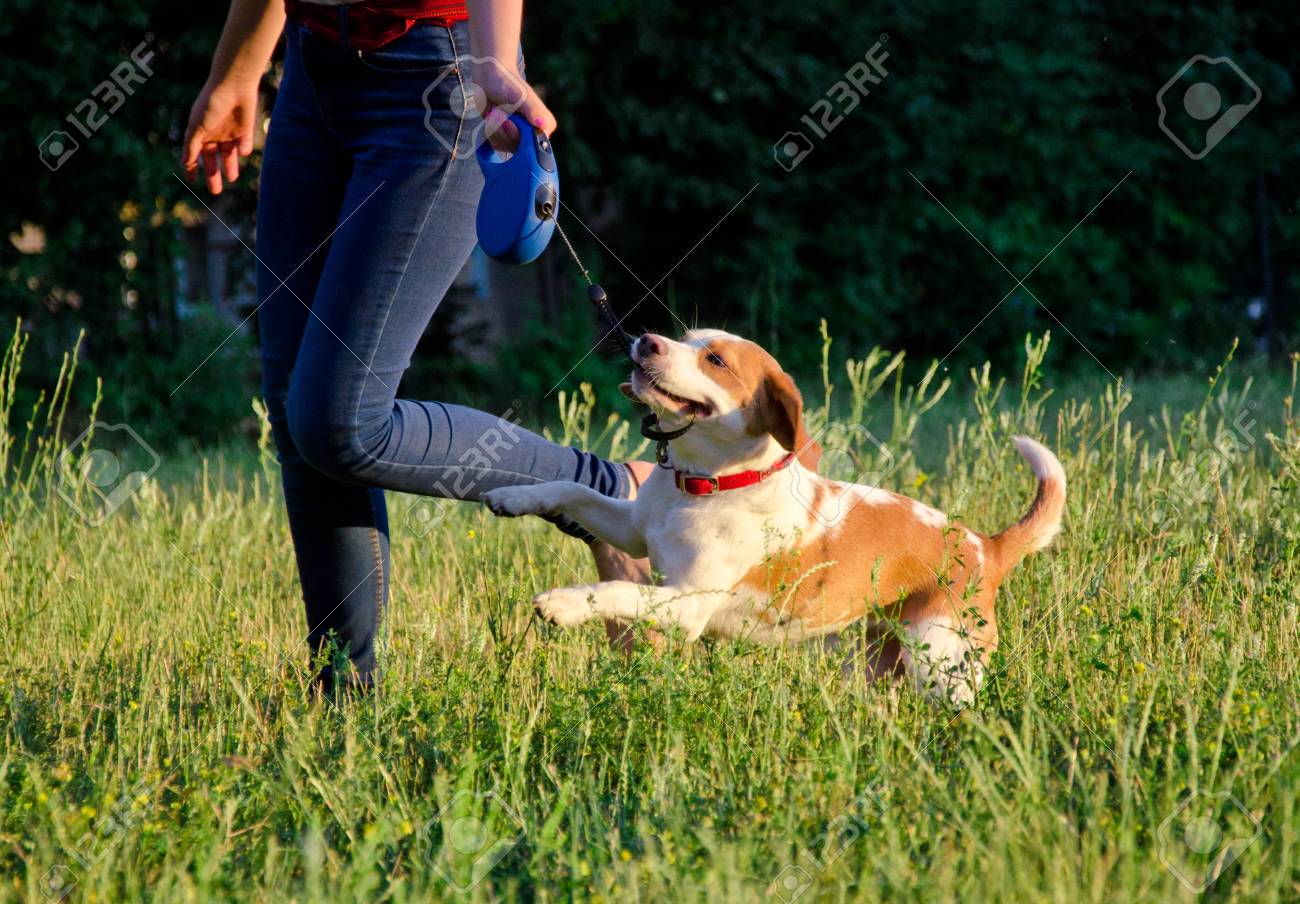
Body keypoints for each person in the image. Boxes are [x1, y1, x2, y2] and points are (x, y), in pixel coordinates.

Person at [183, 0, 652, 693]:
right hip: (315, 72)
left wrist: (496, 58)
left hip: (441, 74)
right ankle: (342, 700)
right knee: (297, 412)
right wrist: (240, 68)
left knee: (340, 422)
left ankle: (605, 488)